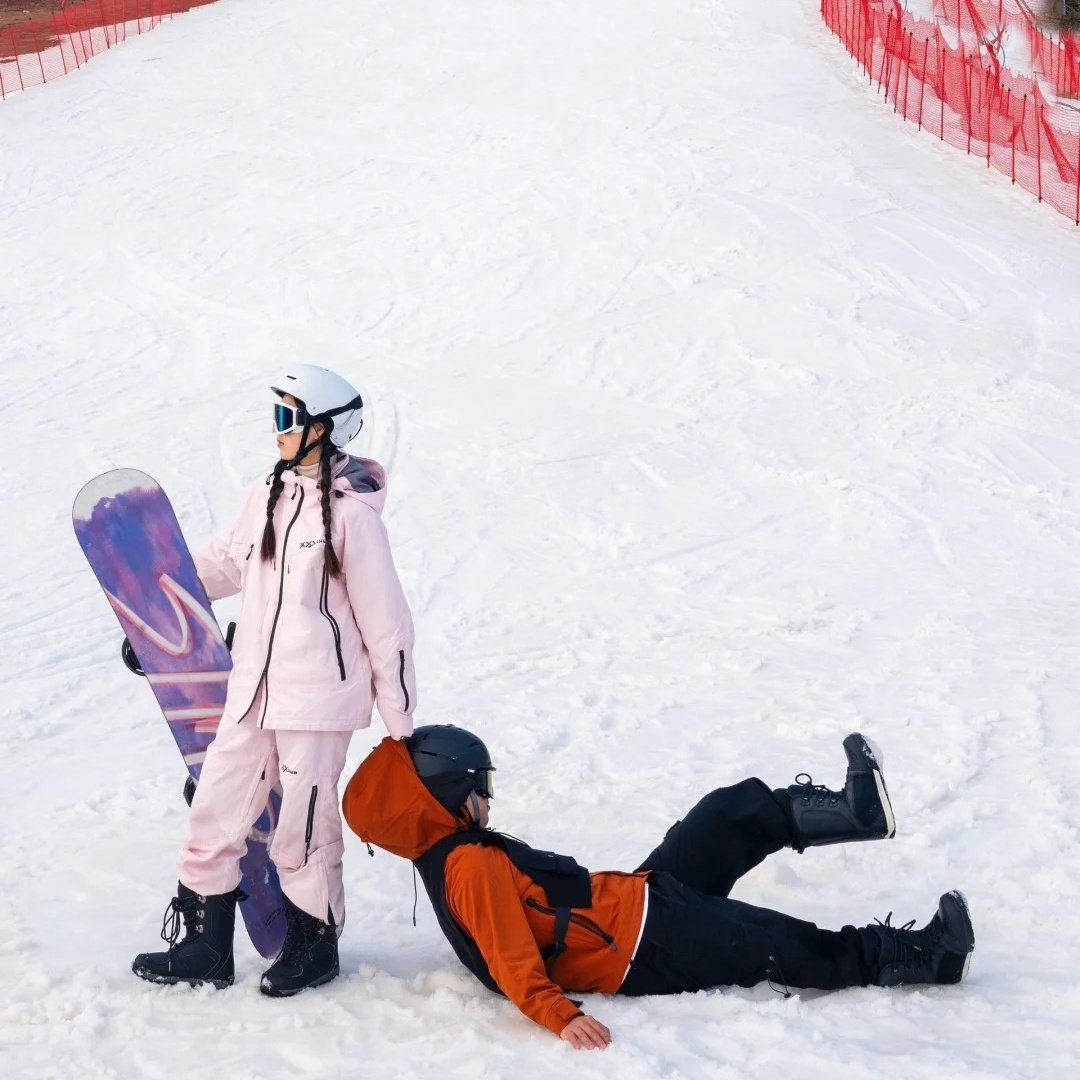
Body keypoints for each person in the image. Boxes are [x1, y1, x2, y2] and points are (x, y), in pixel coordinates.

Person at [342, 726, 974, 1049]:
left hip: (640, 899)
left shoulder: (457, 852)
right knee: (780, 941)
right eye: (481, 787)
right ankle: (928, 958)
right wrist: (558, 1016)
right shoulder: (468, 866)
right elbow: (510, 959)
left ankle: (856, 814)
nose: (488, 799)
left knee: (721, 817)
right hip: (646, 944)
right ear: (451, 795)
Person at [133, 364, 417, 997]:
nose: (278, 429)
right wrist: (156, 619)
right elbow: (222, 561)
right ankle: (207, 946)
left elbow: (388, 625)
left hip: (317, 700)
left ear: (325, 429)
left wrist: (402, 731)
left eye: (290, 418)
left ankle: (314, 946)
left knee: (302, 828)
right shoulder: (268, 489)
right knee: (215, 810)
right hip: (252, 690)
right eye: (277, 416)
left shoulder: (353, 518)